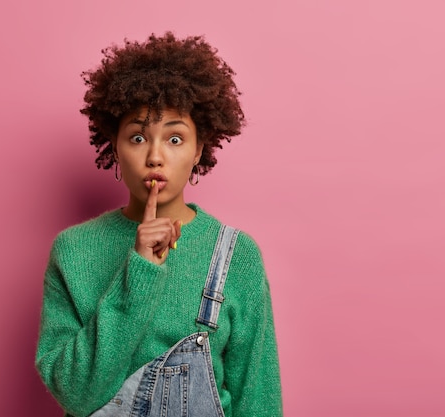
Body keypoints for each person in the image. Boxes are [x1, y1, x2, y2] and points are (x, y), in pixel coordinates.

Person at [35, 32, 282, 417]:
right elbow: (74, 393)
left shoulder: (237, 256)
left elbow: (258, 398)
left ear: (199, 148)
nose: (155, 156)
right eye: (137, 137)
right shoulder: (74, 251)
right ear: (114, 147)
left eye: (175, 139)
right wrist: (140, 270)